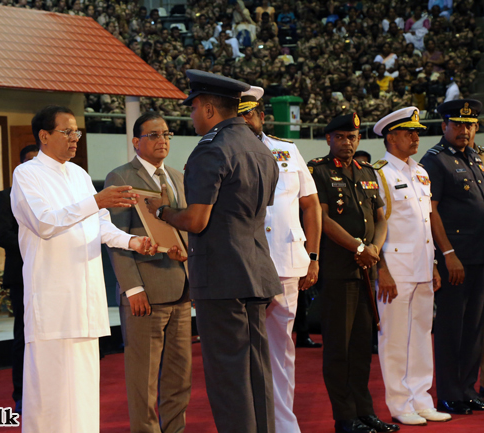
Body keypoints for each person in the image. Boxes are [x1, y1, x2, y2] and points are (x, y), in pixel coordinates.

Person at [146, 70, 281, 433]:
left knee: (228, 375)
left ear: (207, 108)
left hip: (222, 276)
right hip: (256, 270)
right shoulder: (260, 148)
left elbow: (196, 219)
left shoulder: (211, 147)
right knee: (256, 370)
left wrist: (161, 211)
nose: (191, 117)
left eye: (193, 108)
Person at [10, 105, 157, 433]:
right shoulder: (27, 174)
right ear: (44, 136)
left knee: (85, 393)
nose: (75, 138)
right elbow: (44, 223)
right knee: (49, 395)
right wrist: (97, 201)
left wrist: (133, 242)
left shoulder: (77, 174)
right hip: (53, 299)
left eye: (77, 132)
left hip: (85, 300)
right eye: (67, 132)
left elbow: (101, 226)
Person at [308, 113, 398, 433]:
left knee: (361, 346)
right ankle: (344, 417)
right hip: (338, 270)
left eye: (353, 137)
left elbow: (381, 217)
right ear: (329, 139)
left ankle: (365, 412)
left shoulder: (368, 172)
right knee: (339, 349)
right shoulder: (317, 170)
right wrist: (358, 248)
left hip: (365, 271)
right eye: (342, 137)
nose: (348, 143)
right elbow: (322, 218)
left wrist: (374, 247)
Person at [239, 86, 322, 433]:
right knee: (245, 349)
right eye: (240, 114)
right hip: (246, 264)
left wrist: (313, 257)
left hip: (287, 263)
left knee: (282, 350)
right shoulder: (223, 152)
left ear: (261, 115)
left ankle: (284, 423)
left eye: (251, 113)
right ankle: (252, 422)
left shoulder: (288, 151)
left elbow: (311, 205)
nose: (247, 119)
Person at [104, 112, 191, 433]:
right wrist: (132, 288)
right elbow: (116, 238)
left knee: (179, 377)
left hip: (181, 290)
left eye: (166, 134)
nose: (162, 140)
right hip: (146, 293)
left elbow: (186, 230)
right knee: (143, 380)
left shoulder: (178, 178)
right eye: (154, 135)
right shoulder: (120, 178)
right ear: (136, 141)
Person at [372, 107, 452, 426]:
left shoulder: (420, 171)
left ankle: (421, 397)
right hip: (395, 268)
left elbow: (423, 224)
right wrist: (382, 270)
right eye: (409, 132)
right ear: (391, 137)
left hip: (420, 266)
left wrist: (432, 265)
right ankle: (399, 402)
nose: (416, 137)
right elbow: (377, 226)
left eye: (417, 132)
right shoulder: (379, 173)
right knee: (394, 339)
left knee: (420, 335)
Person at [419, 99, 484, 415]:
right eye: (457, 124)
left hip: (479, 256)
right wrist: (447, 253)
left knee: (473, 327)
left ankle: (468, 388)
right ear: (444, 125)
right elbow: (431, 211)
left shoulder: (474, 157)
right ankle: (448, 392)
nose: (464, 130)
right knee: (450, 328)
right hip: (455, 259)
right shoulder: (436, 161)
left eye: (469, 125)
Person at [0, 144, 39, 415]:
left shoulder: (54, 196)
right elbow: (3, 235)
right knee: (23, 336)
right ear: (20, 167)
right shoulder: (7, 195)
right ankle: (21, 395)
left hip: (53, 276)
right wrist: (37, 245)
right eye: (29, 162)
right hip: (22, 274)